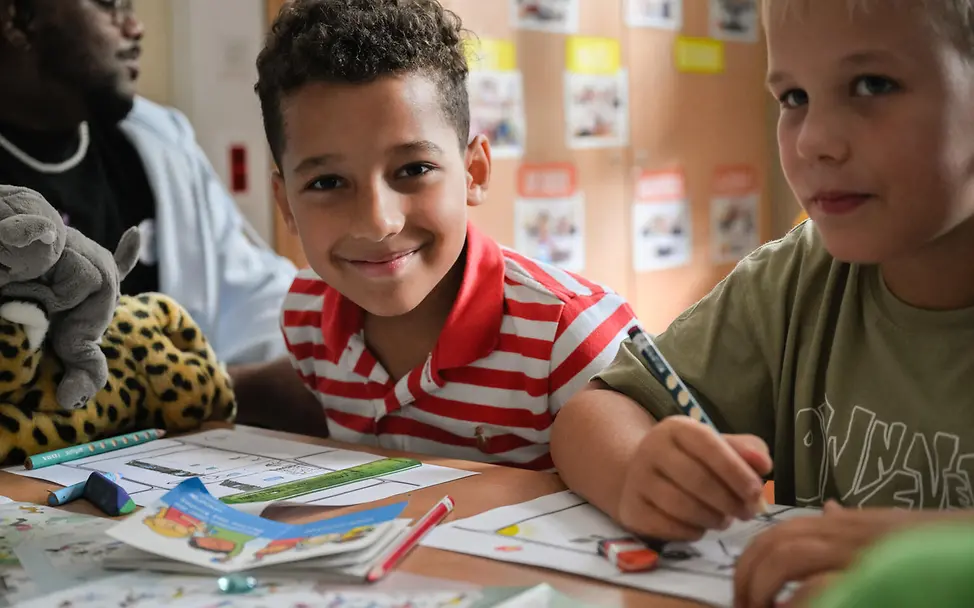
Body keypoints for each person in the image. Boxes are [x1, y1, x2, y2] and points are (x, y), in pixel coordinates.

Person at [550, 0, 974, 605]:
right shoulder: (796, 279)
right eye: (794, 97)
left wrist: (926, 560)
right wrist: (641, 468)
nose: (815, 140)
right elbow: (593, 416)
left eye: (872, 85)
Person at [249, 0, 638, 468]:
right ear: (285, 204)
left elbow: (664, 483)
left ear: (474, 172)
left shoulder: (570, 333)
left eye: (414, 169)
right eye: (327, 183)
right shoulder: (306, 313)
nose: (378, 222)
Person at [0, 0, 297, 375]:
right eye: (111, 6)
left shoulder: (161, 141)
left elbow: (255, 294)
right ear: (20, 18)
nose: (135, 28)